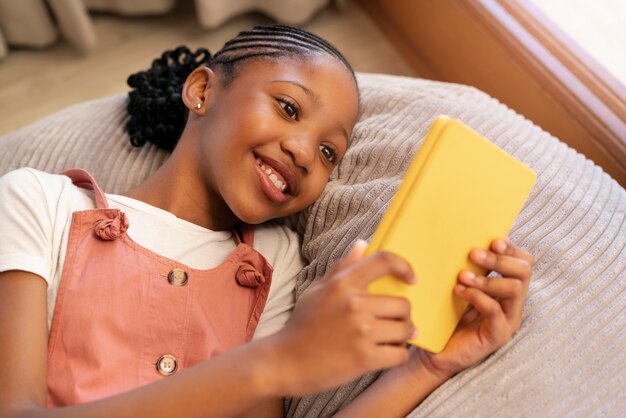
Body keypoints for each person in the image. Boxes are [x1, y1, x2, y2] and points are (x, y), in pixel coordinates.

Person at [0, 25, 533, 417]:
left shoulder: (273, 263)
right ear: (202, 91)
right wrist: (279, 360)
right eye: (289, 108)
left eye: (329, 152)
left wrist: (428, 367)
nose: (305, 153)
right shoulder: (40, 202)